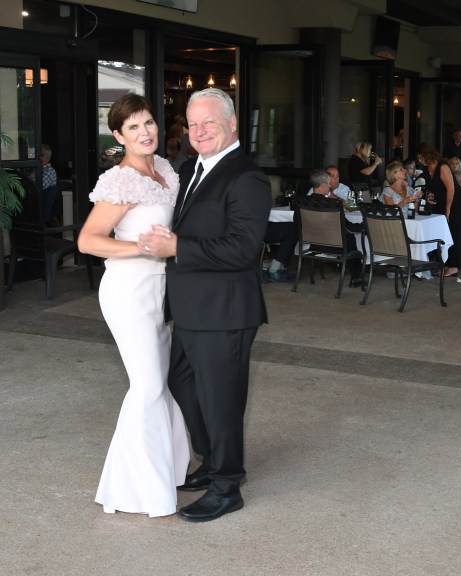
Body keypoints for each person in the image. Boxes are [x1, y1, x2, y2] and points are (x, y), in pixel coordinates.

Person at [138, 88, 270, 523]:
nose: (199, 131)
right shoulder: (189, 165)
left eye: (209, 122)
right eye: (193, 123)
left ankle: (227, 485)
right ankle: (213, 458)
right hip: (192, 307)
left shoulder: (246, 177)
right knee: (180, 381)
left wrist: (179, 246)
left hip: (226, 309)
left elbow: (244, 249)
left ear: (232, 123)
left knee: (221, 399)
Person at [77, 93, 190, 518]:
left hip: (162, 290)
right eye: (134, 127)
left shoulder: (162, 168)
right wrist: (140, 247)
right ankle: (133, 490)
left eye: (148, 123)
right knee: (146, 387)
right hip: (129, 290)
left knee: (159, 384)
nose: (145, 133)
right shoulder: (121, 179)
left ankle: (170, 468)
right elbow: (88, 240)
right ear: (118, 134)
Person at [417, 143, 461, 278]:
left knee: (454, 231)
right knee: (442, 233)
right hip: (440, 202)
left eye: (421, 157)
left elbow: (451, 189)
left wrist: (448, 209)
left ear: (428, 155)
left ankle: (453, 266)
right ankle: (444, 263)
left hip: (455, 203)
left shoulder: (443, 166)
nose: (420, 160)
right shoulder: (426, 168)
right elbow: (432, 188)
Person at [307, 168, 365, 287]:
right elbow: (347, 227)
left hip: (313, 244)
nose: (330, 186)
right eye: (328, 183)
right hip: (333, 247)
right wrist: (365, 226)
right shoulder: (332, 204)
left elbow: (298, 223)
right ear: (323, 185)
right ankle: (357, 277)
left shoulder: (302, 202)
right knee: (351, 238)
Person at [40, 144, 59, 224]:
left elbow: (36, 189)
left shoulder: (49, 171)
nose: (39, 158)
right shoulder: (37, 170)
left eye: (41, 155)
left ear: (48, 157)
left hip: (38, 210)